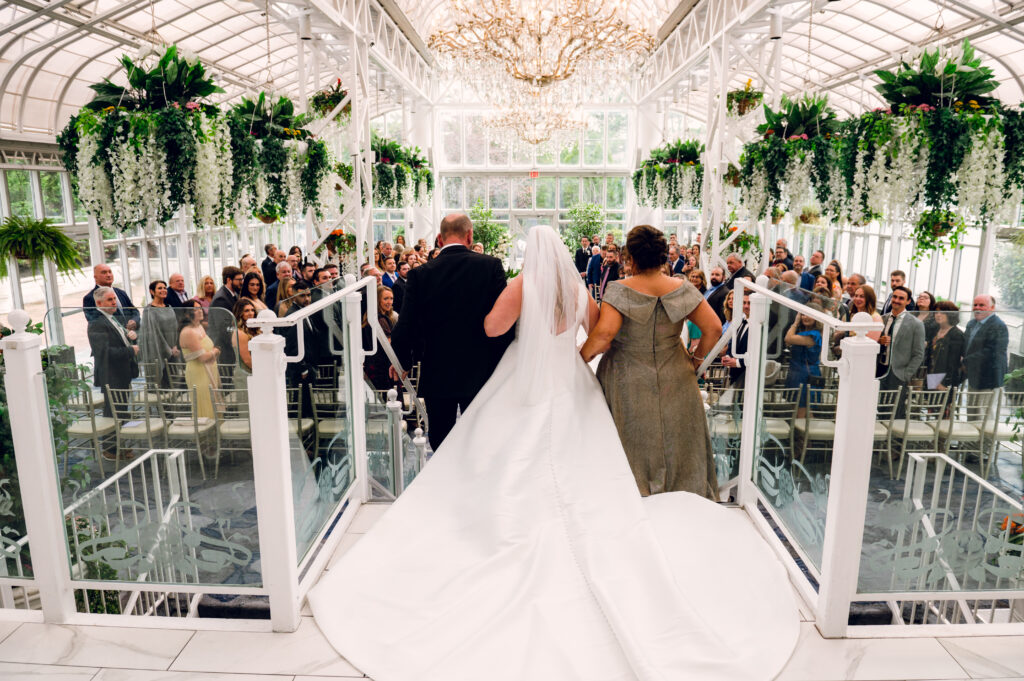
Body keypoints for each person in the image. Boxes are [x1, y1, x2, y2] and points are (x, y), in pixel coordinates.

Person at [309, 221, 799, 681]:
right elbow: (597, 329)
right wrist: (578, 355)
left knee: (499, 447)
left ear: (529, 253)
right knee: (588, 451)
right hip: (571, 377)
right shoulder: (578, 287)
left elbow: (494, 329)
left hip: (524, 377)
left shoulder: (522, 285)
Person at [581, 225, 722, 497]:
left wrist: (579, 360)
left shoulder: (619, 290)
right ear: (662, 256)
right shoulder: (683, 289)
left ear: (630, 257)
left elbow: (604, 335)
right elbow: (714, 328)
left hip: (626, 376)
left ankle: (635, 496)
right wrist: (695, 360)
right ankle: (684, 498)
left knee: (632, 440)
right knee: (678, 439)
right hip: (676, 373)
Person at [389, 213, 512, 450]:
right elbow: (504, 324)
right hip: (481, 372)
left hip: (438, 372)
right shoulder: (490, 266)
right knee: (479, 439)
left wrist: (402, 360)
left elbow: (407, 325)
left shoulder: (420, 274)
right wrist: (502, 364)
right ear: (470, 235)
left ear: (439, 238)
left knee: (441, 438)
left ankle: (445, 483)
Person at [87, 286, 140, 419]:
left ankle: (120, 437)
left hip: (122, 371)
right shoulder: (96, 322)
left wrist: (130, 336)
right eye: (109, 299)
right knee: (113, 414)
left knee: (121, 410)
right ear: (99, 303)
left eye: (114, 299)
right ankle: (111, 439)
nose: (114, 302)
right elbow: (104, 352)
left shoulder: (112, 317)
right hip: (111, 374)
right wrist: (130, 350)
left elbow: (118, 339)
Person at [878, 286, 926, 398]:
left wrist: (906, 374)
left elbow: (919, 354)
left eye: (901, 298)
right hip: (880, 368)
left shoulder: (916, 324)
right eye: (894, 297)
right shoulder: (883, 318)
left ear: (908, 301)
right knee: (876, 405)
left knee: (894, 409)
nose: (896, 300)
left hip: (898, 374)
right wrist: (880, 341)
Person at [178, 300, 219, 419]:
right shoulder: (188, 332)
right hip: (198, 372)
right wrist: (216, 350)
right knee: (204, 404)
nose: (200, 310)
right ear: (187, 314)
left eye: (200, 308)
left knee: (212, 403)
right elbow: (202, 357)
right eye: (196, 309)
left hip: (209, 369)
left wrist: (212, 352)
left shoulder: (199, 326)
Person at [963, 294, 1009, 390]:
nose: (977, 307)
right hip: (974, 376)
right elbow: (966, 346)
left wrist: (965, 361)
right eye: (975, 305)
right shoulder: (971, 323)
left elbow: (991, 351)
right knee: (971, 405)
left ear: (992, 308)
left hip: (989, 379)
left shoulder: (998, 326)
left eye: (981, 305)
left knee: (982, 405)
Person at [139, 280, 180, 386]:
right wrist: (168, 349)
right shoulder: (149, 310)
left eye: (165, 288)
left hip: (173, 351)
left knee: (175, 384)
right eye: (160, 288)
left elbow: (175, 328)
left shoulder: (169, 308)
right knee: (164, 386)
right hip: (158, 352)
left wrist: (175, 346)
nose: (163, 290)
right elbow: (153, 334)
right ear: (152, 292)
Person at [784, 308, 824, 416]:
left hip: (805, 375)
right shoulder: (802, 332)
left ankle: (802, 433)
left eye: (809, 315)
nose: (805, 317)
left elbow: (788, 339)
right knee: (795, 409)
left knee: (802, 410)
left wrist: (796, 322)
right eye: (803, 314)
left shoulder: (814, 335)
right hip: (796, 372)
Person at [362, 285, 399, 391]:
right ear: (377, 300)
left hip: (375, 364)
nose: (389, 302)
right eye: (385, 298)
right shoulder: (380, 319)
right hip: (382, 367)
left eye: (391, 298)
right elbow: (390, 344)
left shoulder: (372, 317)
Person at [82, 264, 140, 328]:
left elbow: (134, 310)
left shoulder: (121, 292)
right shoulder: (90, 298)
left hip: (132, 333)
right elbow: (94, 321)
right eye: (104, 272)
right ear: (95, 277)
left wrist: (134, 320)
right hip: (113, 335)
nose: (108, 275)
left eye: (110, 272)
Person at [927, 301, 964, 393]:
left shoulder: (956, 334)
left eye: (942, 312)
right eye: (936, 312)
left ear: (950, 315)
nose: (938, 315)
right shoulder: (935, 330)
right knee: (929, 405)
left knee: (942, 405)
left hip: (946, 379)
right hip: (932, 374)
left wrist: (945, 383)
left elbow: (954, 363)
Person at [721, 291, 750, 385]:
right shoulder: (740, 321)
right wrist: (728, 357)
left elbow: (757, 353)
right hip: (735, 374)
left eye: (749, 303)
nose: (746, 306)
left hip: (748, 374)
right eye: (744, 303)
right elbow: (733, 342)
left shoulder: (759, 325)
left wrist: (737, 362)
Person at [232, 298, 260, 383]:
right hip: (245, 374)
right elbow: (247, 360)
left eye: (252, 310)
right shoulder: (240, 333)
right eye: (246, 311)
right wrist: (262, 371)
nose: (251, 313)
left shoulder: (254, 329)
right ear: (240, 313)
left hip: (254, 371)